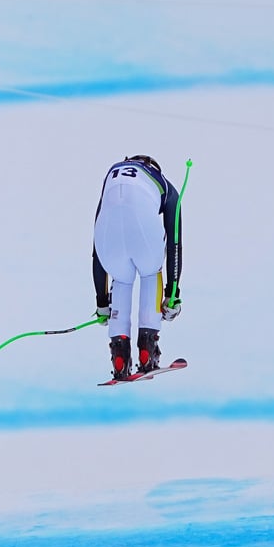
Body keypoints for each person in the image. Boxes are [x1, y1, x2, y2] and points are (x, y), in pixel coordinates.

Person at [91, 155, 183, 379]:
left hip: (108, 244)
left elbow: (97, 249)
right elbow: (175, 243)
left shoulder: (111, 176)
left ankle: (120, 357)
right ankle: (147, 352)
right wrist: (172, 294)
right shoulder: (164, 185)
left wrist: (102, 303)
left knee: (121, 279)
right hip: (144, 235)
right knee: (151, 272)